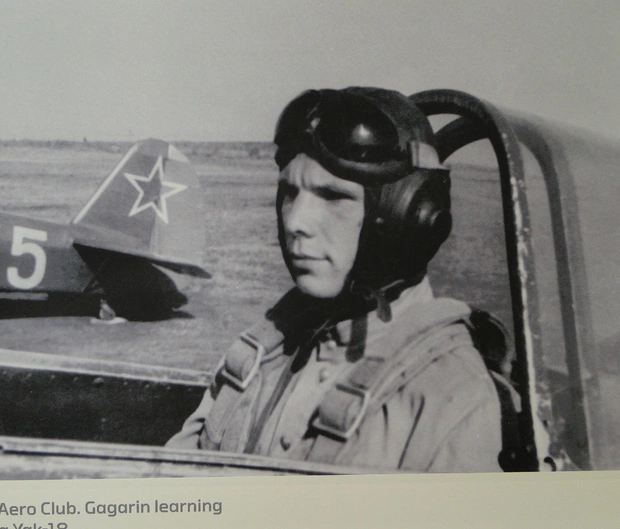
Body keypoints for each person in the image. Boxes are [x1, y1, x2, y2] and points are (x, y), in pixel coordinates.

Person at [167, 87, 504, 473]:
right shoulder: (263, 352)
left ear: (406, 217)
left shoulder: (452, 398)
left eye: (333, 196)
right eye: (290, 192)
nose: (296, 222)